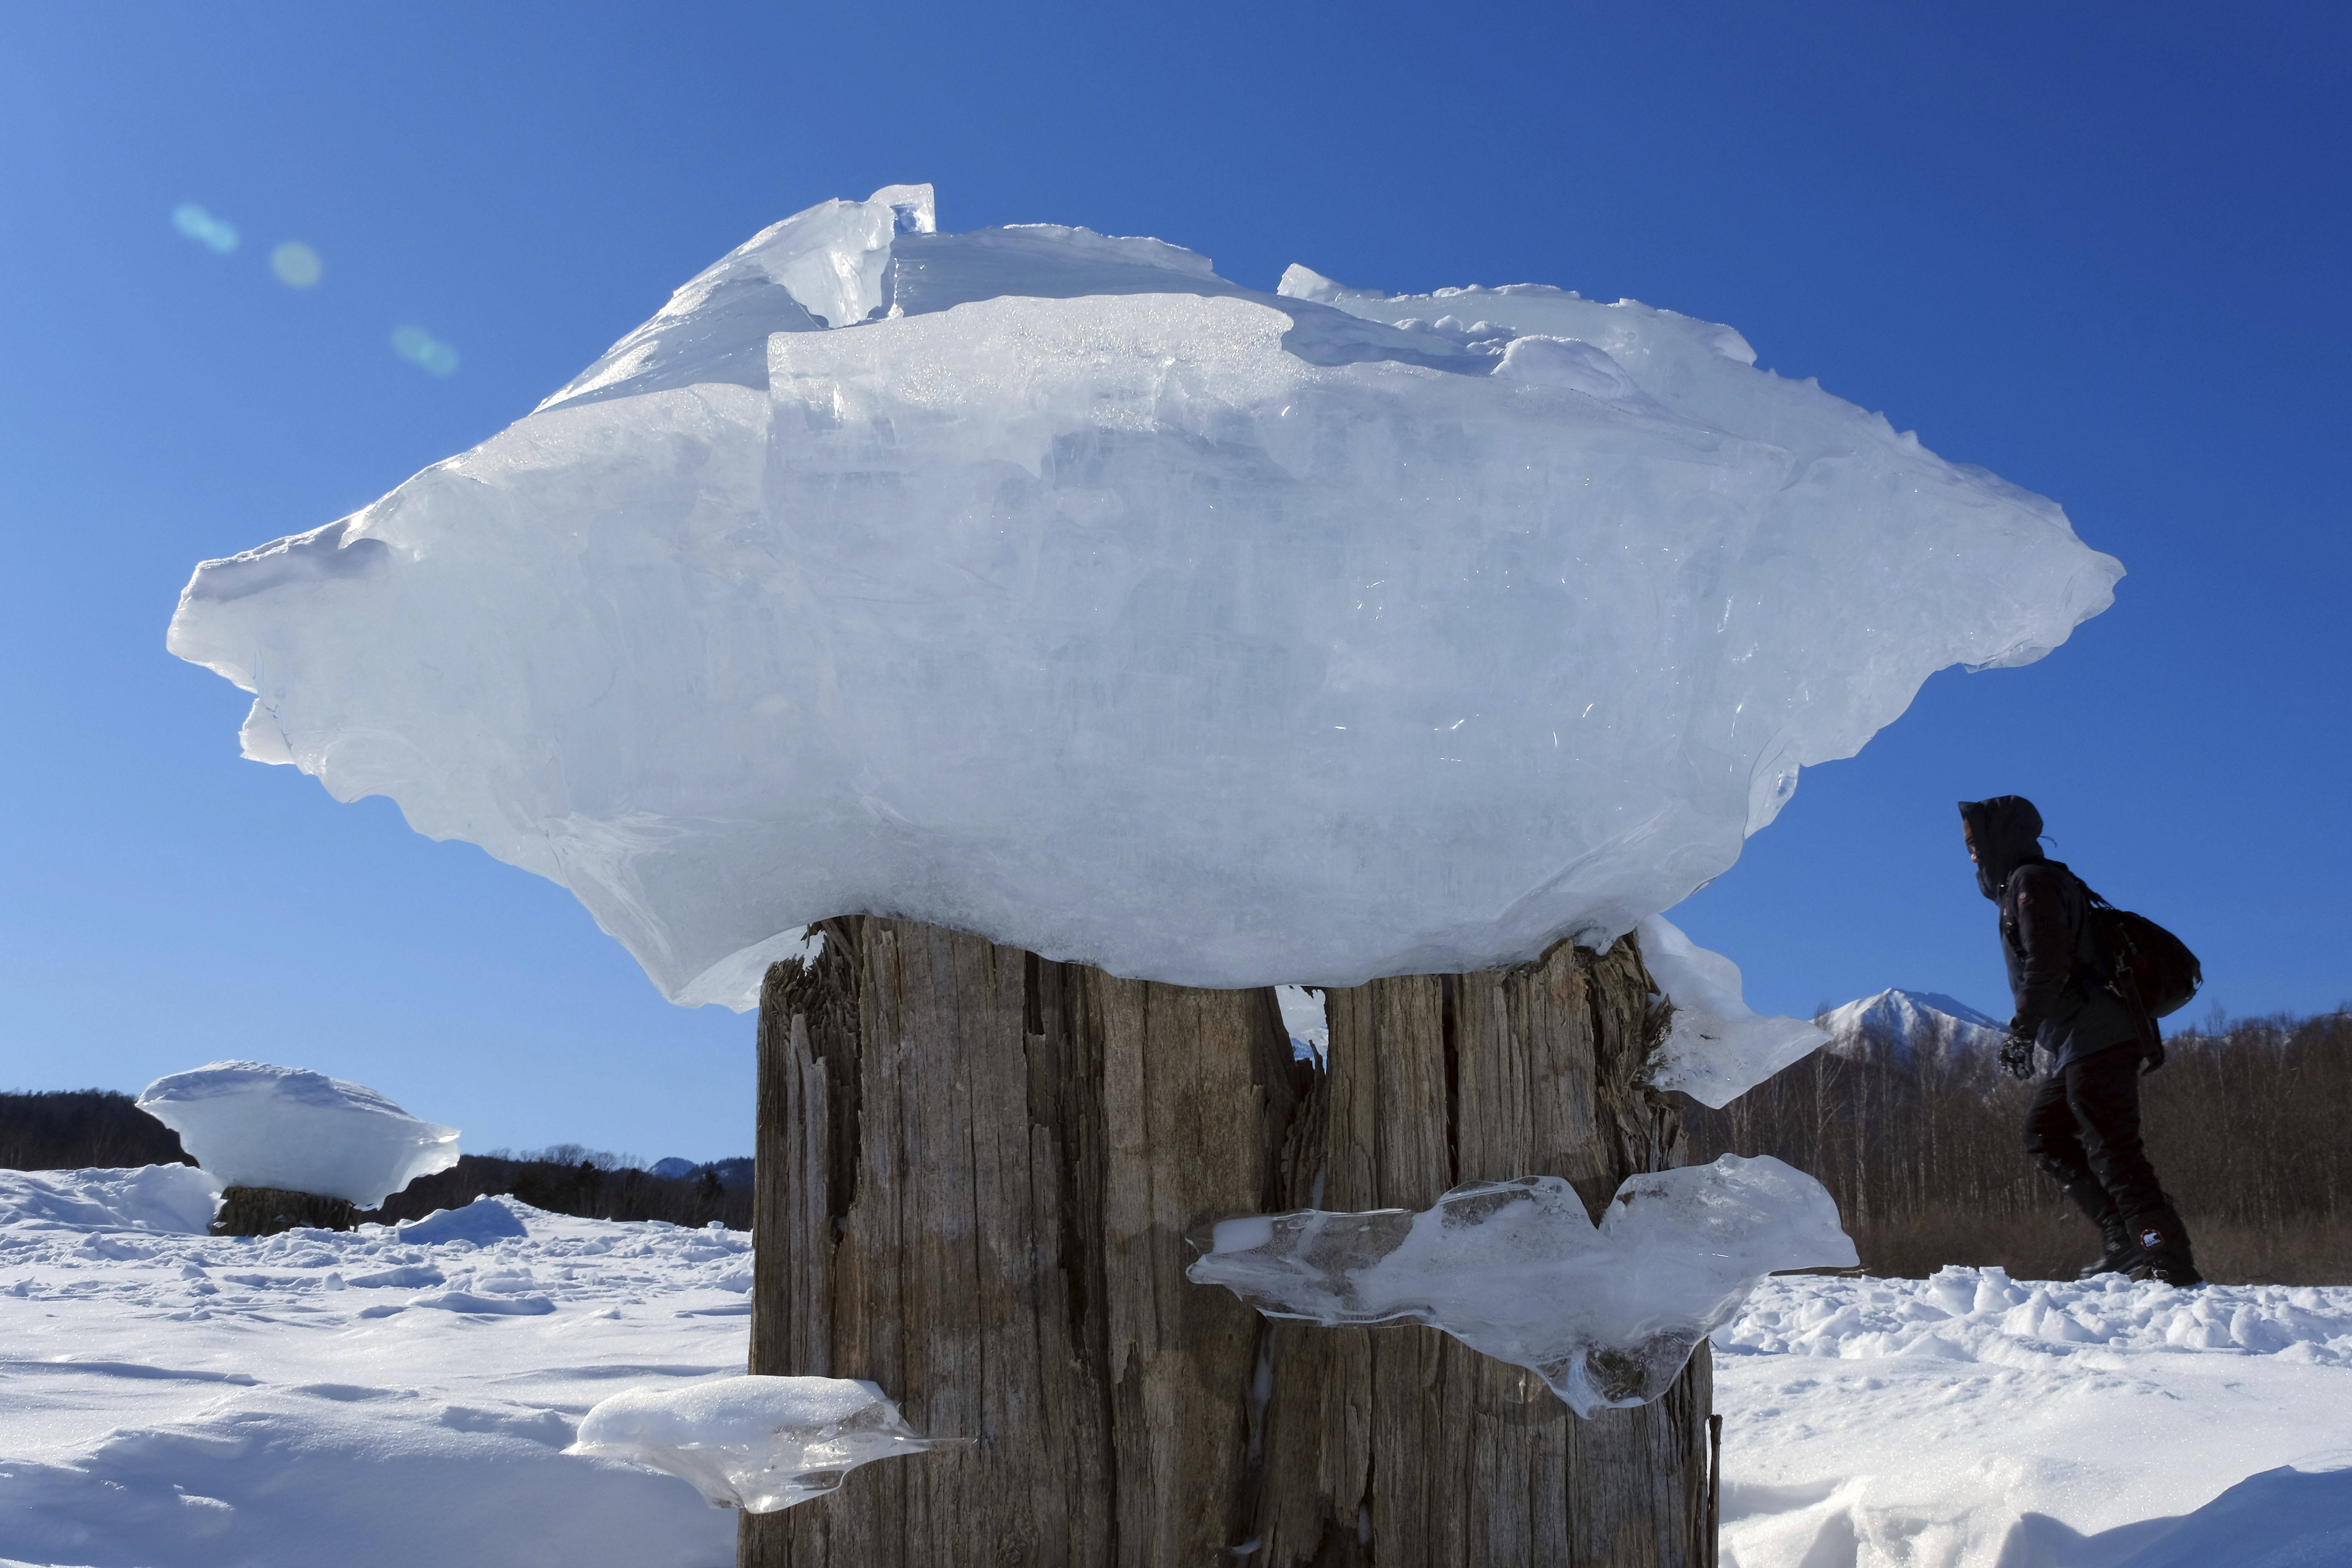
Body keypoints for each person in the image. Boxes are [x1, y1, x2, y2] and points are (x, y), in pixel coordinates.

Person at [1958, 796, 2203, 1287]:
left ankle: (2165, 1258)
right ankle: (2124, 1240)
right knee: (2045, 1132)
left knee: (2113, 1148)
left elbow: (2046, 962)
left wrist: (2022, 1031)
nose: (1971, 855)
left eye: (1974, 843)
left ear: (1998, 839)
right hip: (2081, 1039)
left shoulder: (2034, 882)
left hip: (2099, 1034)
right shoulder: (2029, 883)